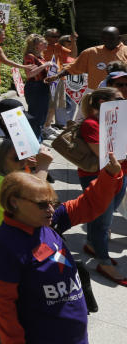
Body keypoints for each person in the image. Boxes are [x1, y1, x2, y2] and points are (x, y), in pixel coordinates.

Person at [0, 157, 123, 343]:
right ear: (13, 202)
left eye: (52, 202)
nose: (51, 210)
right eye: (42, 204)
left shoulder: (50, 223)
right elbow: (3, 305)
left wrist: (109, 175)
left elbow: (88, 204)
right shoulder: (4, 244)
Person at [74, 87, 127, 284]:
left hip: (120, 175)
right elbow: (104, 156)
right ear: (103, 103)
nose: (124, 101)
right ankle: (104, 262)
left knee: (103, 216)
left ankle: (91, 244)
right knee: (103, 223)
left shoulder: (118, 121)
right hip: (98, 177)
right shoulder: (90, 124)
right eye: (119, 99)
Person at [0, 136, 52, 258]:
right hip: (6, 249)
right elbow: (35, 196)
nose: (23, 161)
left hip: (11, 243)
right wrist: (43, 166)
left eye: (22, 156)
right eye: (16, 158)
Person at [49, 26, 127, 92]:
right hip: (96, 92)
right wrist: (57, 76)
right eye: (104, 39)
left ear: (119, 38)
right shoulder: (90, 52)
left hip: (122, 92)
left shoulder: (125, 51)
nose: (107, 41)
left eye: (111, 38)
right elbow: (73, 68)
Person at [21, 34, 53, 140]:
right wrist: (44, 65)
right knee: (36, 115)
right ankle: (33, 139)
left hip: (42, 87)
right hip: (35, 87)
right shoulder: (29, 56)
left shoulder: (40, 56)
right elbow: (29, 74)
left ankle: (38, 137)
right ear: (35, 45)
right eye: (42, 42)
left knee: (42, 115)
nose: (45, 43)